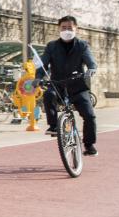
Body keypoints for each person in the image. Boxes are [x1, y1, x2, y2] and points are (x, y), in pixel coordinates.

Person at [40, 15, 99, 155]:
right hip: (57, 85)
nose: (67, 30)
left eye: (70, 28)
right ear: (59, 29)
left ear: (76, 29)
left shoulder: (82, 45)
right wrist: (38, 77)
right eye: (63, 28)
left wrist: (91, 68)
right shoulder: (51, 46)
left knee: (89, 116)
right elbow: (42, 64)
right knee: (48, 94)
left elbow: (91, 61)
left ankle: (89, 145)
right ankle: (53, 126)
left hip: (77, 86)